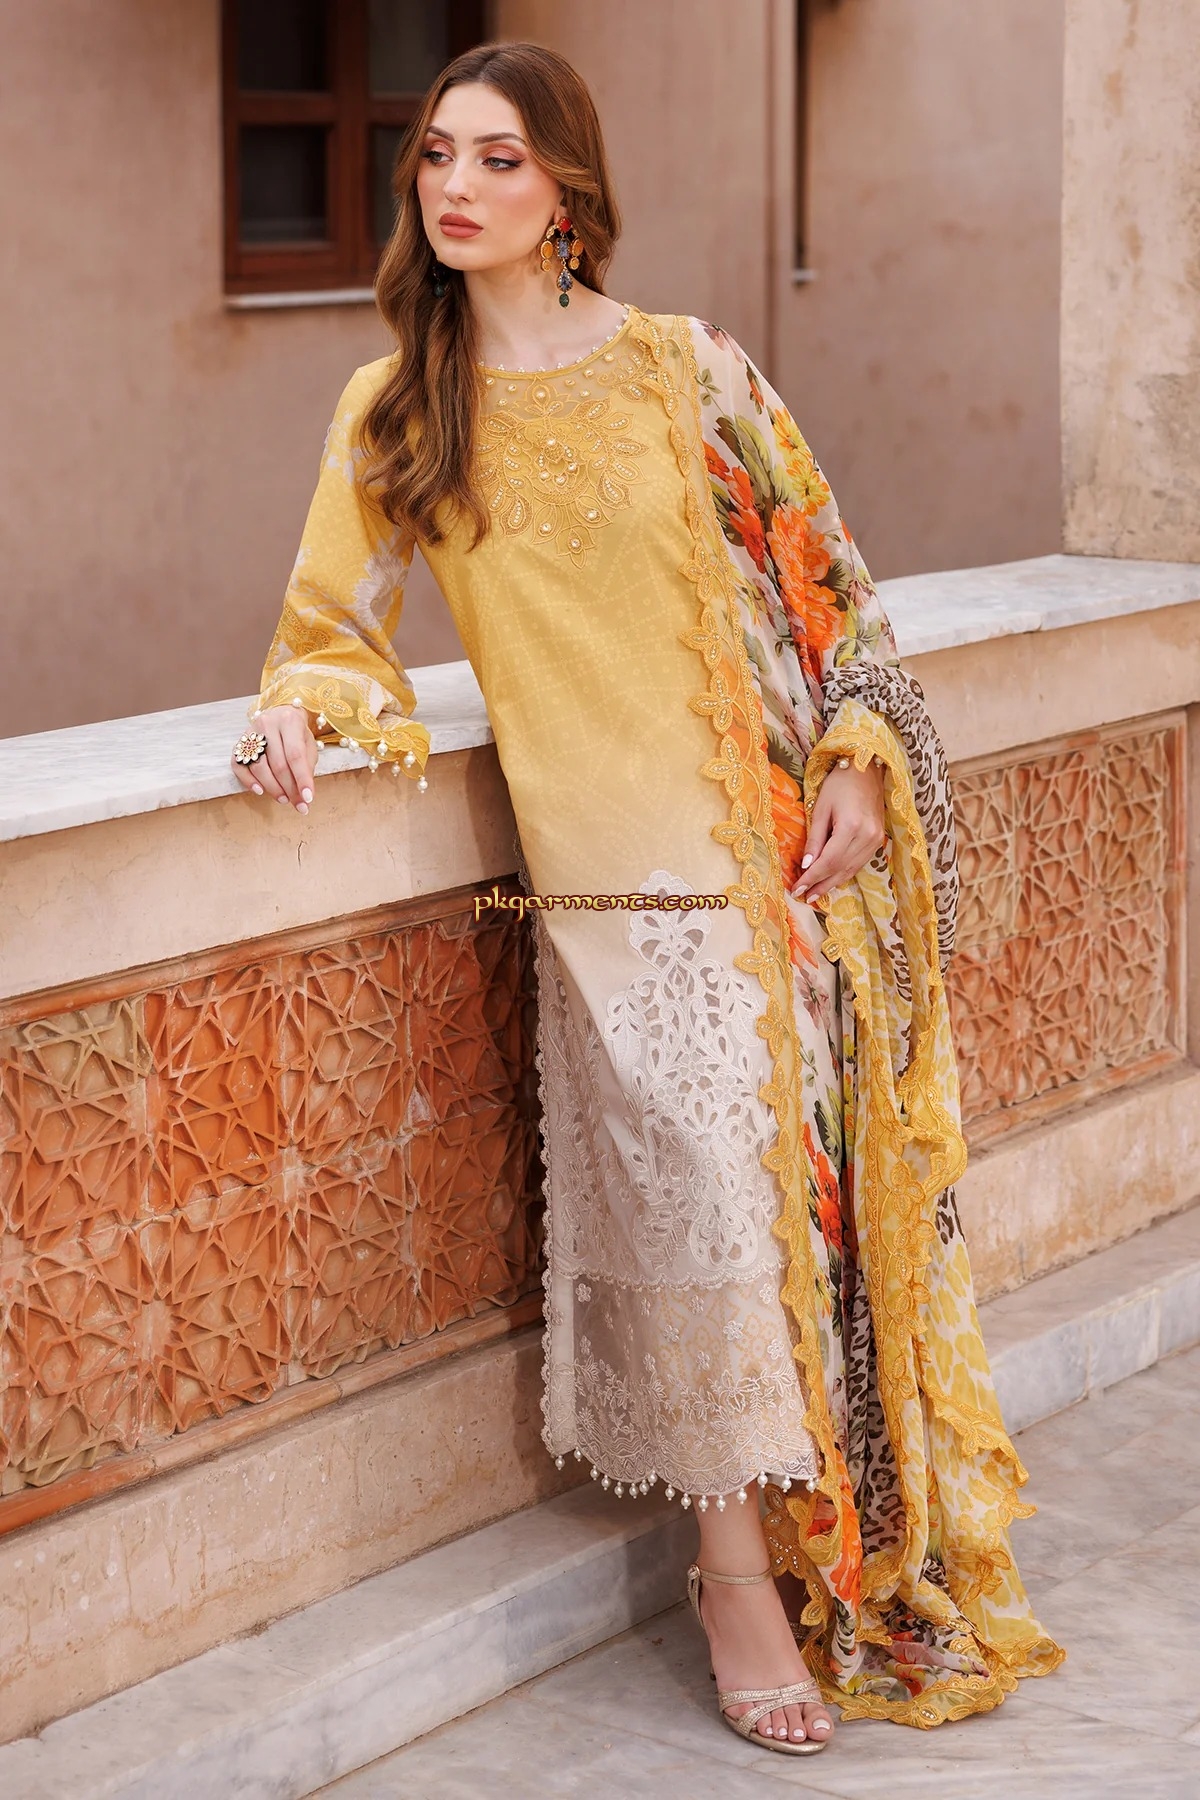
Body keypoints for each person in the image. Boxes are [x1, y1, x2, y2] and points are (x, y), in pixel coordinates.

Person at [231, 40, 1064, 1759]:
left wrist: (857, 764)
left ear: (570, 191)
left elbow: (832, 586)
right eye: (436, 156)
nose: (456, 187)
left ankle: (850, 1545)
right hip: (614, 899)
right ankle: (732, 1574)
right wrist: (301, 706)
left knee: (809, 1228)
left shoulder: (695, 369)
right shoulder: (399, 410)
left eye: (499, 159)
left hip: (782, 867)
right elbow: (332, 627)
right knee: (696, 1221)